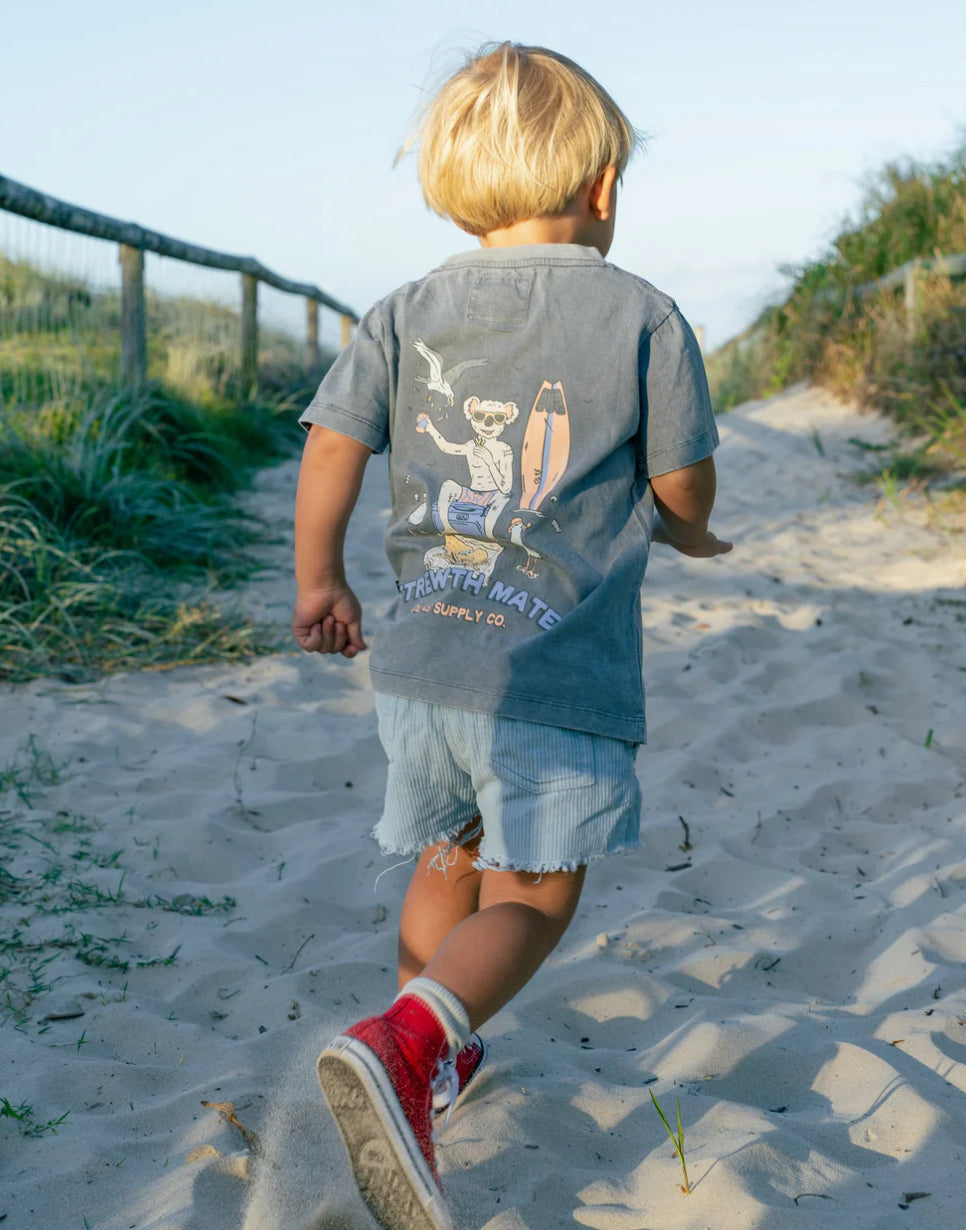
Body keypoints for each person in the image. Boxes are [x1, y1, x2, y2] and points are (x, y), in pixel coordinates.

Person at [292, 40, 732, 1230]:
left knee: (451, 855)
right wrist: (692, 529)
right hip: (553, 672)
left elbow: (332, 447)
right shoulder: (641, 314)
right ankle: (408, 1041)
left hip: (424, 665)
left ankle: (432, 1054)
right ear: (602, 186)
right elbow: (680, 476)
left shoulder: (402, 312)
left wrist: (321, 579)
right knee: (532, 899)